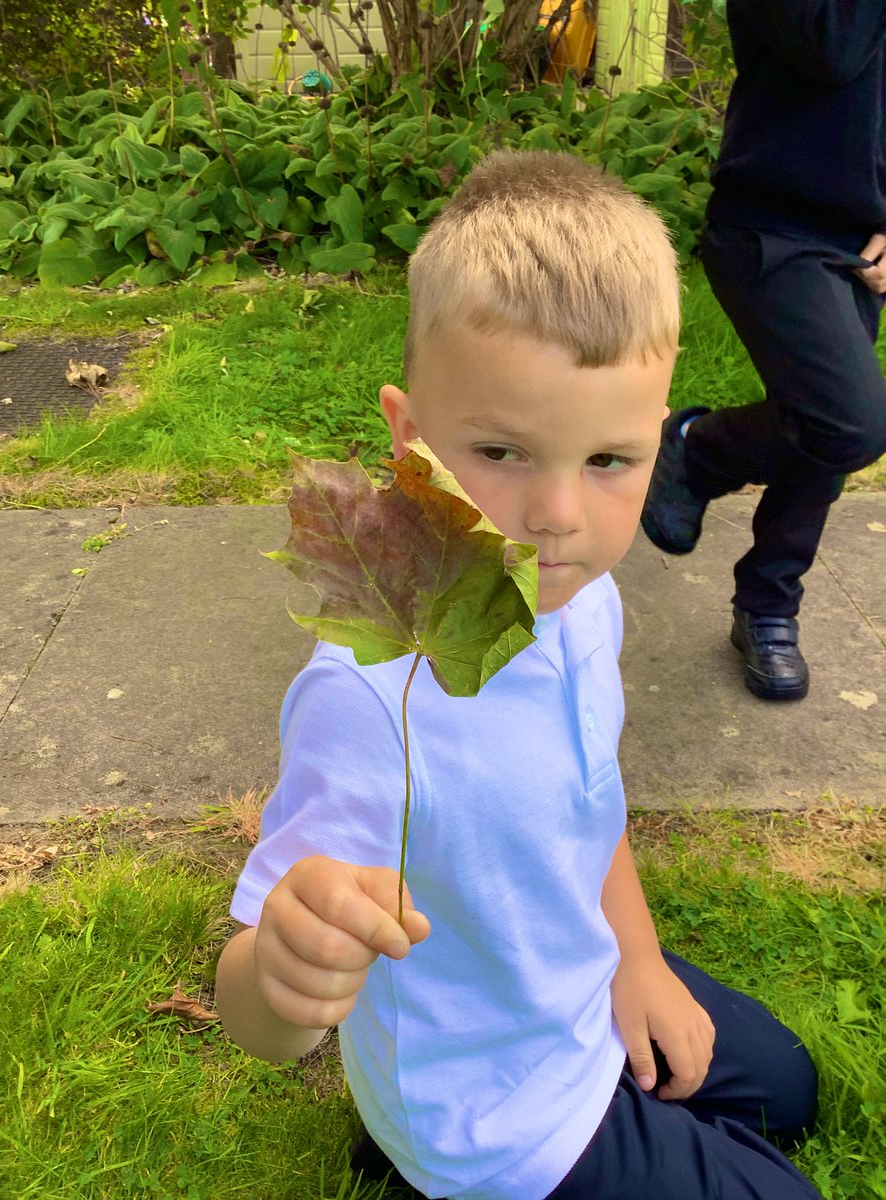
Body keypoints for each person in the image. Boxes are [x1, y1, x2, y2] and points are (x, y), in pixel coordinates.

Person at [215, 151, 820, 1200]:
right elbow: (256, 1018)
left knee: (788, 1090)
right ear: (410, 439)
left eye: (608, 461)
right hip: (494, 1115)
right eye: (501, 450)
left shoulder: (583, 595)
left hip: (574, 985)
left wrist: (635, 958)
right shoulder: (370, 699)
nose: (558, 517)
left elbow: (592, 801)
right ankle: (428, 1172)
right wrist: (280, 975)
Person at [641, 0, 886, 702]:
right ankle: (700, 448)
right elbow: (831, 49)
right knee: (848, 421)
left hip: (858, 239)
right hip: (770, 227)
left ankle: (768, 606)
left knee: (822, 433)